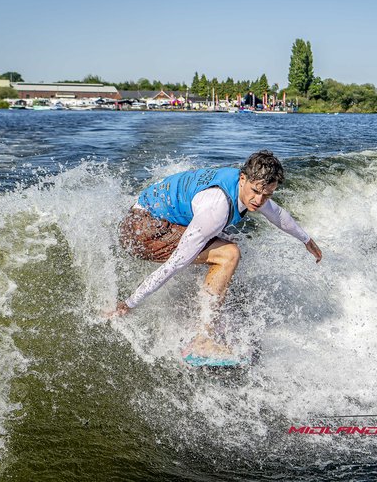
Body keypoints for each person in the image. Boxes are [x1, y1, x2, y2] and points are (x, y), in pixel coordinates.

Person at [108, 151, 322, 360]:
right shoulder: (217, 208)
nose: (259, 200)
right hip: (142, 231)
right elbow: (174, 264)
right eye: (256, 192)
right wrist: (129, 303)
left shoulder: (245, 184)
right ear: (243, 179)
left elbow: (276, 213)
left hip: (144, 218)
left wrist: (306, 240)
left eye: (267, 194)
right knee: (229, 254)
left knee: (228, 242)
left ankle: (200, 316)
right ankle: (202, 339)